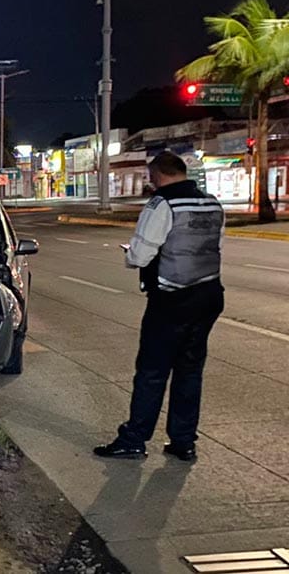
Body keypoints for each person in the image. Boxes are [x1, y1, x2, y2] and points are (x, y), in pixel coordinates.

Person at [94, 151, 225, 462]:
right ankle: (183, 441)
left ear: (156, 175)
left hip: (171, 300)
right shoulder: (211, 202)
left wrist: (130, 254)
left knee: (152, 372)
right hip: (208, 296)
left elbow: (139, 256)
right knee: (189, 372)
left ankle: (134, 439)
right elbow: (215, 245)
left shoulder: (162, 204)